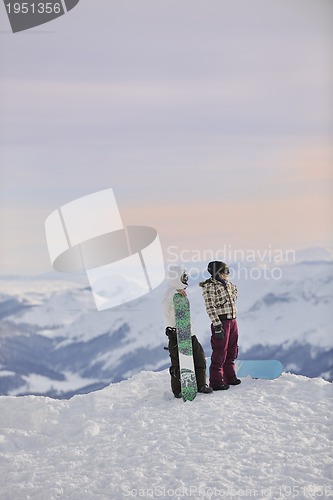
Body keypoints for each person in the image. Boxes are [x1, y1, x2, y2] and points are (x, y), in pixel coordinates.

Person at [162, 265, 213, 398]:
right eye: (183, 277)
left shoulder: (180, 294)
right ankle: (178, 389)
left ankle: (201, 384)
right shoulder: (171, 293)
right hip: (176, 334)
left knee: (199, 358)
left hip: (189, 333)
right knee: (179, 363)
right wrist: (176, 292)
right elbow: (168, 303)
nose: (186, 280)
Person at [199, 261, 241, 390]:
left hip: (232, 320)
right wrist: (217, 325)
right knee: (220, 351)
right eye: (224, 271)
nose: (226, 274)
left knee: (232, 349)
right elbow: (210, 307)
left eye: (228, 271)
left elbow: (235, 293)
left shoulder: (228, 284)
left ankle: (230, 376)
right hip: (221, 322)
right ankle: (216, 381)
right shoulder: (211, 286)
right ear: (216, 272)